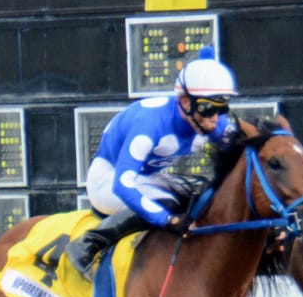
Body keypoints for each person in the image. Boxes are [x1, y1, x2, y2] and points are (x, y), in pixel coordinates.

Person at [65, 47, 238, 281]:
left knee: (201, 194)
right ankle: (88, 244)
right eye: (209, 108)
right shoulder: (149, 124)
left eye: (222, 107)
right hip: (109, 180)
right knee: (167, 204)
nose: (215, 118)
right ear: (186, 102)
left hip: (149, 177)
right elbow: (123, 185)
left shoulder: (210, 120)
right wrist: (166, 219)